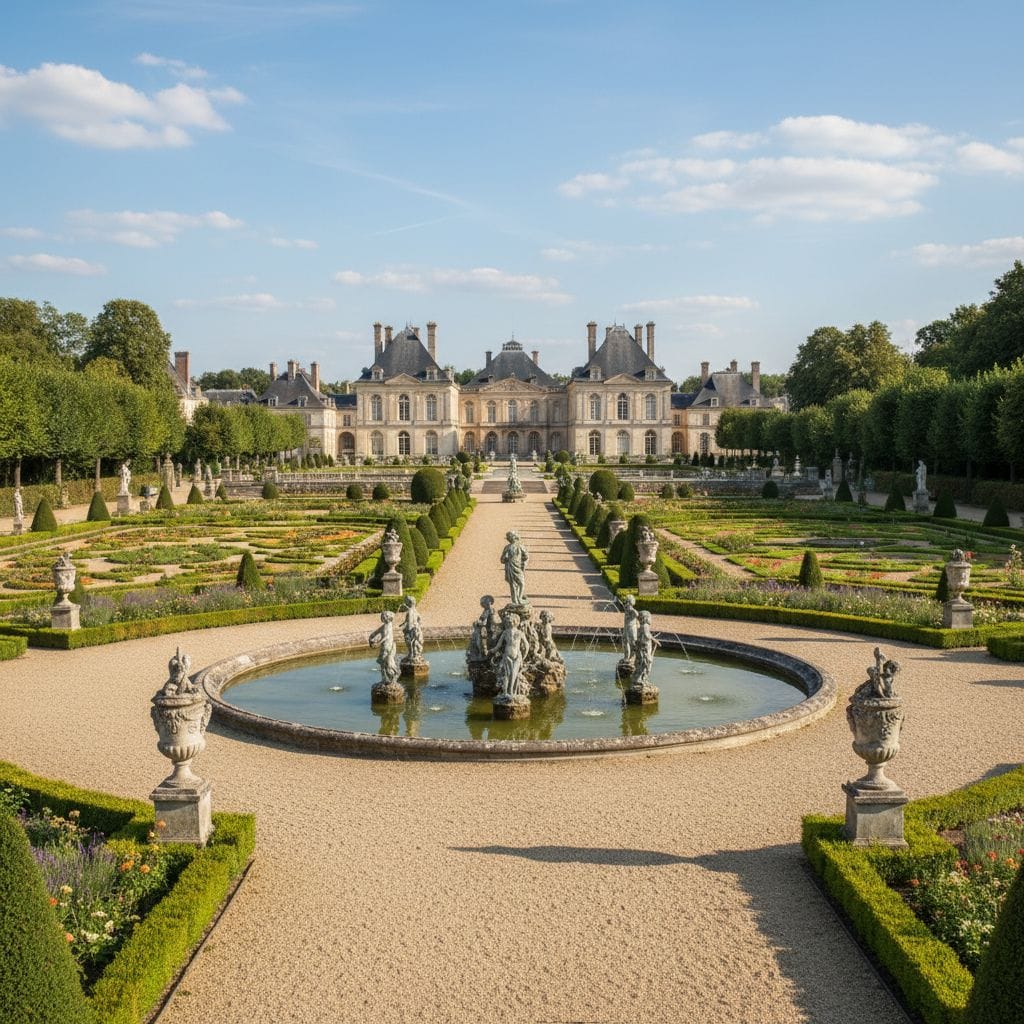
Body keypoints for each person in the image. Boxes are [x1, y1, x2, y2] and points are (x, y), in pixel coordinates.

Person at [494, 609, 530, 698]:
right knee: (509, 674)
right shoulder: (507, 632)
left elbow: (526, 645)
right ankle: (509, 692)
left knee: (513, 674)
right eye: (509, 622)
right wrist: (492, 651)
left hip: (515, 655)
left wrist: (523, 656)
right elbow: (526, 646)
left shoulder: (515, 632)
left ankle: (511, 692)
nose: (510, 623)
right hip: (510, 655)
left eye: (510, 622)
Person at [368, 610, 399, 686]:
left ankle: (391, 677)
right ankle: (385, 679)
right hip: (386, 646)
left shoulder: (388, 625)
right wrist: (371, 637)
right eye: (382, 616)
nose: (382, 617)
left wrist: (378, 642)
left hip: (387, 646)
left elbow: (386, 637)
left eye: (383, 616)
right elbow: (376, 632)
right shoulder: (386, 625)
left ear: (388, 618)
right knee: (383, 663)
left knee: (386, 663)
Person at [500, 530, 529, 605]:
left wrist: (506, 559)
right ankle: (518, 599)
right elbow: (525, 556)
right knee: (520, 583)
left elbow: (502, 560)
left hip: (511, 566)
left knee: (514, 584)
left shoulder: (507, 547)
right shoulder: (520, 546)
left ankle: (516, 600)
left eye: (509, 537)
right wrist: (521, 561)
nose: (508, 539)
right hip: (516, 566)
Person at [633, 610, 660, 688]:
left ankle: (639, 678)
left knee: (642, 664)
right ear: (645, 618)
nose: (650, 619)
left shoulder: (642, 626)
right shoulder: (645, 626)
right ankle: (640, 680)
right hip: (644, 649)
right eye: (650, 618)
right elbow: (647, 635)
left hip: (643, 648)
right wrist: (655, 640)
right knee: (645, 663)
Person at [401, 595, 423, 662]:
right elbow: (419, 618)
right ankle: (416, 655)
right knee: (415, 642)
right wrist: (418, 625)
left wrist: (406, 629)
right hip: (416, 628)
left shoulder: (410, 611)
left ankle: (411, 654)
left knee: (410, 642)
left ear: (409, 603)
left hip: (411, 629)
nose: (405, 603)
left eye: (406, 602)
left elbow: (410, 621)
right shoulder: (414, 610)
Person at [621, 594, 639, 665]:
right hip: (626, 628)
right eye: (626, 601)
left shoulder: (631, 610)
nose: (626, 603)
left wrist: (632, 609)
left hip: (632, 628)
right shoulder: (627, 609)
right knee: (625, 641)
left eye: (627, 601)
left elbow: (637, 614)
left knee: (632, 642)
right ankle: (626, 656)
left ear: (630, 603)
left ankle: (632, 657)